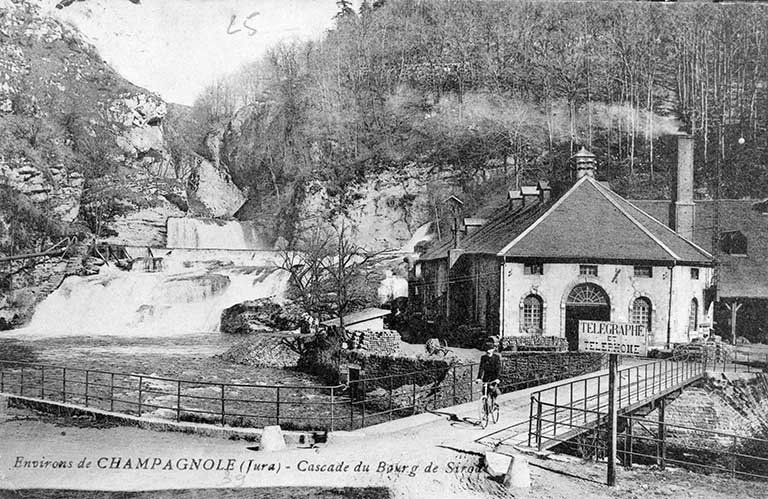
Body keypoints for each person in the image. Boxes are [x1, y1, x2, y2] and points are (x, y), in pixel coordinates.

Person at [476, 339, 502, 405]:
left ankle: (495, 401)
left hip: (494, 377)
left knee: (493, 390)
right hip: (486, 377)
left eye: (490, 349)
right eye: (487, 350)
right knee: (484, 391)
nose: (488, 351)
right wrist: (479, 378)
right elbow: (481, 368)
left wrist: (497, 378)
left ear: (493, 350)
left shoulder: (496, 357)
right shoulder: (483, 358)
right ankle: (486, 408)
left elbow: (498, 368)